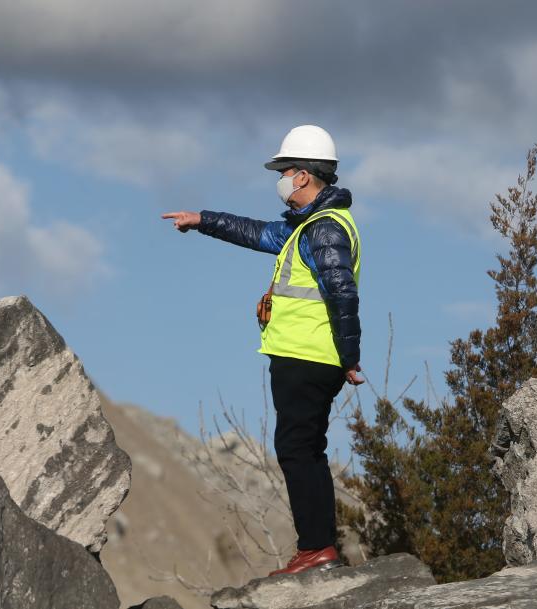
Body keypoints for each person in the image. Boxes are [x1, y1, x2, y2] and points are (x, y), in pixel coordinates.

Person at [162, 125, 364, 576]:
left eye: (285, 169)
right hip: (305, 356)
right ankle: (318, 547)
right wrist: (203, 219)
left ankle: (316, 548)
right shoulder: (307, 227)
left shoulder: (325, 229)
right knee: (305, 448)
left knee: (297, 449)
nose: (280, 178)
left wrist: (350, 358)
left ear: (304, 176)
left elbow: (342, 293)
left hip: (308, 357)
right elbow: (256, 233)